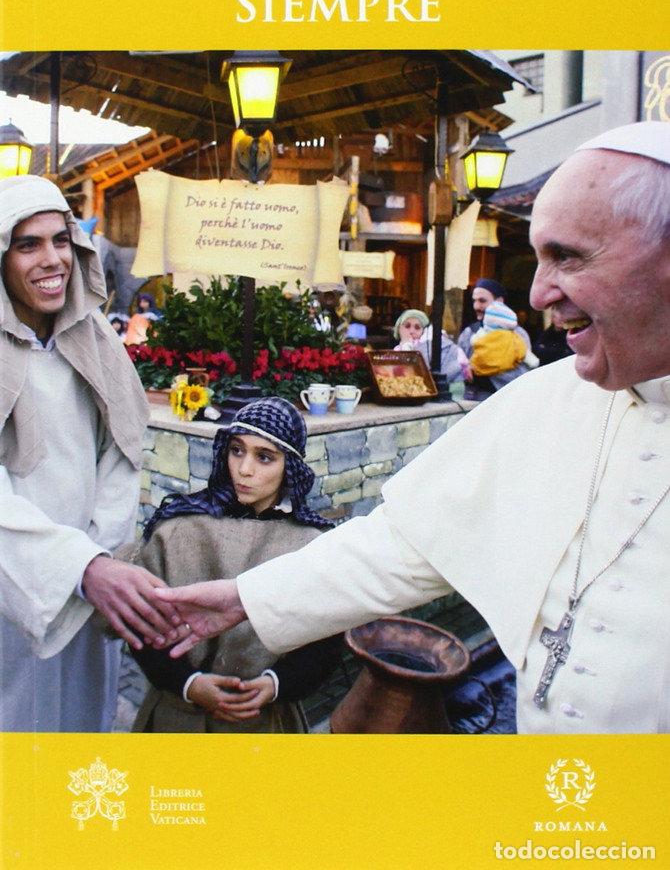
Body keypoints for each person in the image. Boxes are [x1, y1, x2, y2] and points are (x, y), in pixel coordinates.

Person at [154, 121, 670, 734]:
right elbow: (403, 544)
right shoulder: (546, 401)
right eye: (537, 258)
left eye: (569, 256)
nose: (538, 294)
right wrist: (247, 598)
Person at [0, 176, 179, 732]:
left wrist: (98, 562)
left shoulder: (95, 338)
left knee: (80, 731)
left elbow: (121, 452)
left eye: (61, 240)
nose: (51, 259)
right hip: (11, 581)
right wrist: (73, 566)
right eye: (28, 245)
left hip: (89, 588)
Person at [128, 397, 341, 732]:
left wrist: (275, 684)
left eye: (265, 457)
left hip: (265, 723)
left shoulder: (310, 544)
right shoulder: (177, 529)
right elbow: (142, 624)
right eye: (237, 450)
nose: (244, 469)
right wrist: (188, 683)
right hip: (177, 718)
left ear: (290, 465)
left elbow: (325, 643)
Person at [469, 300, 539, 392]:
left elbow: (473, 341)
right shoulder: (514, 337)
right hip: (508, 378)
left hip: (484, 375)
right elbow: (527, 355)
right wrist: (535, 363)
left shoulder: (481, 334)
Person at [393, 308, 469, 383]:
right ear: (399, 328)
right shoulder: (396, 350)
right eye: (407, 326)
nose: (412, 331)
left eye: (417, 327)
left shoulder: (428, 347)